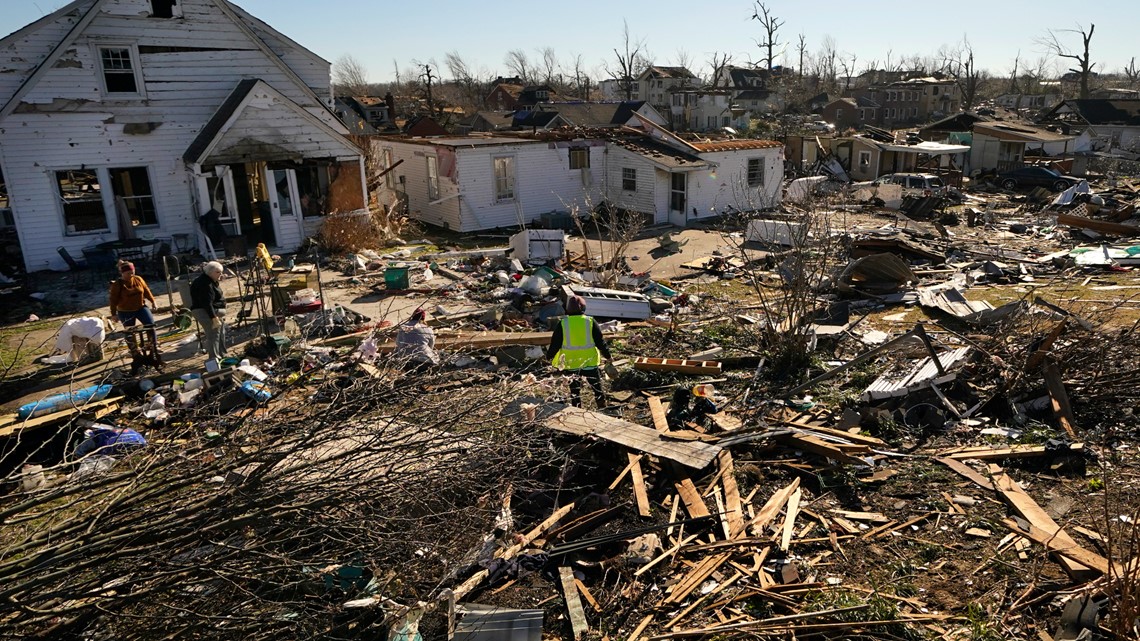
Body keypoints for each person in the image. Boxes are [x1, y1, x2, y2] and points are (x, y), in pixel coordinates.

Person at [546, 295, 611, 408]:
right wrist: (608, 356)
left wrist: (549, 356)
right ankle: (602, 406)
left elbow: (555, 343)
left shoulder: (563, 323)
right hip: (589, 362)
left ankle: (577, 409)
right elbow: (600, 341)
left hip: (571, 363)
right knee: (596, 387)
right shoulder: (590, 321)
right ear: (583, 308)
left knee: (574, 390)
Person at [108, 260, 160, 363]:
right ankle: (135, 352)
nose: (131, 275)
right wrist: (113, 314)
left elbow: (146, 290)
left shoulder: (138, 279)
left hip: (141, 308)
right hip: (125, 311)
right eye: (128, 273)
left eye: (132, 272)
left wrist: (153, 301)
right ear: (122, 273)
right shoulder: (117, 284)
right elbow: (113, 300)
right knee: (129, 332)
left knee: (150, 325)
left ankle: (153, 346)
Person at [190, 261, 227, 368]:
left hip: (212, 311)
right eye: (218, 272)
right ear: (210, 272)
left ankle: (222, 355)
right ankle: (214, 361)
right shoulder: (205, 284)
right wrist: (214, 318)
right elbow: (207, 303)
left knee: (220, 333)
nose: (220, 274)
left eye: (221, 272)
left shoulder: (210, 280)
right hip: (206, 312)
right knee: (213, 335)